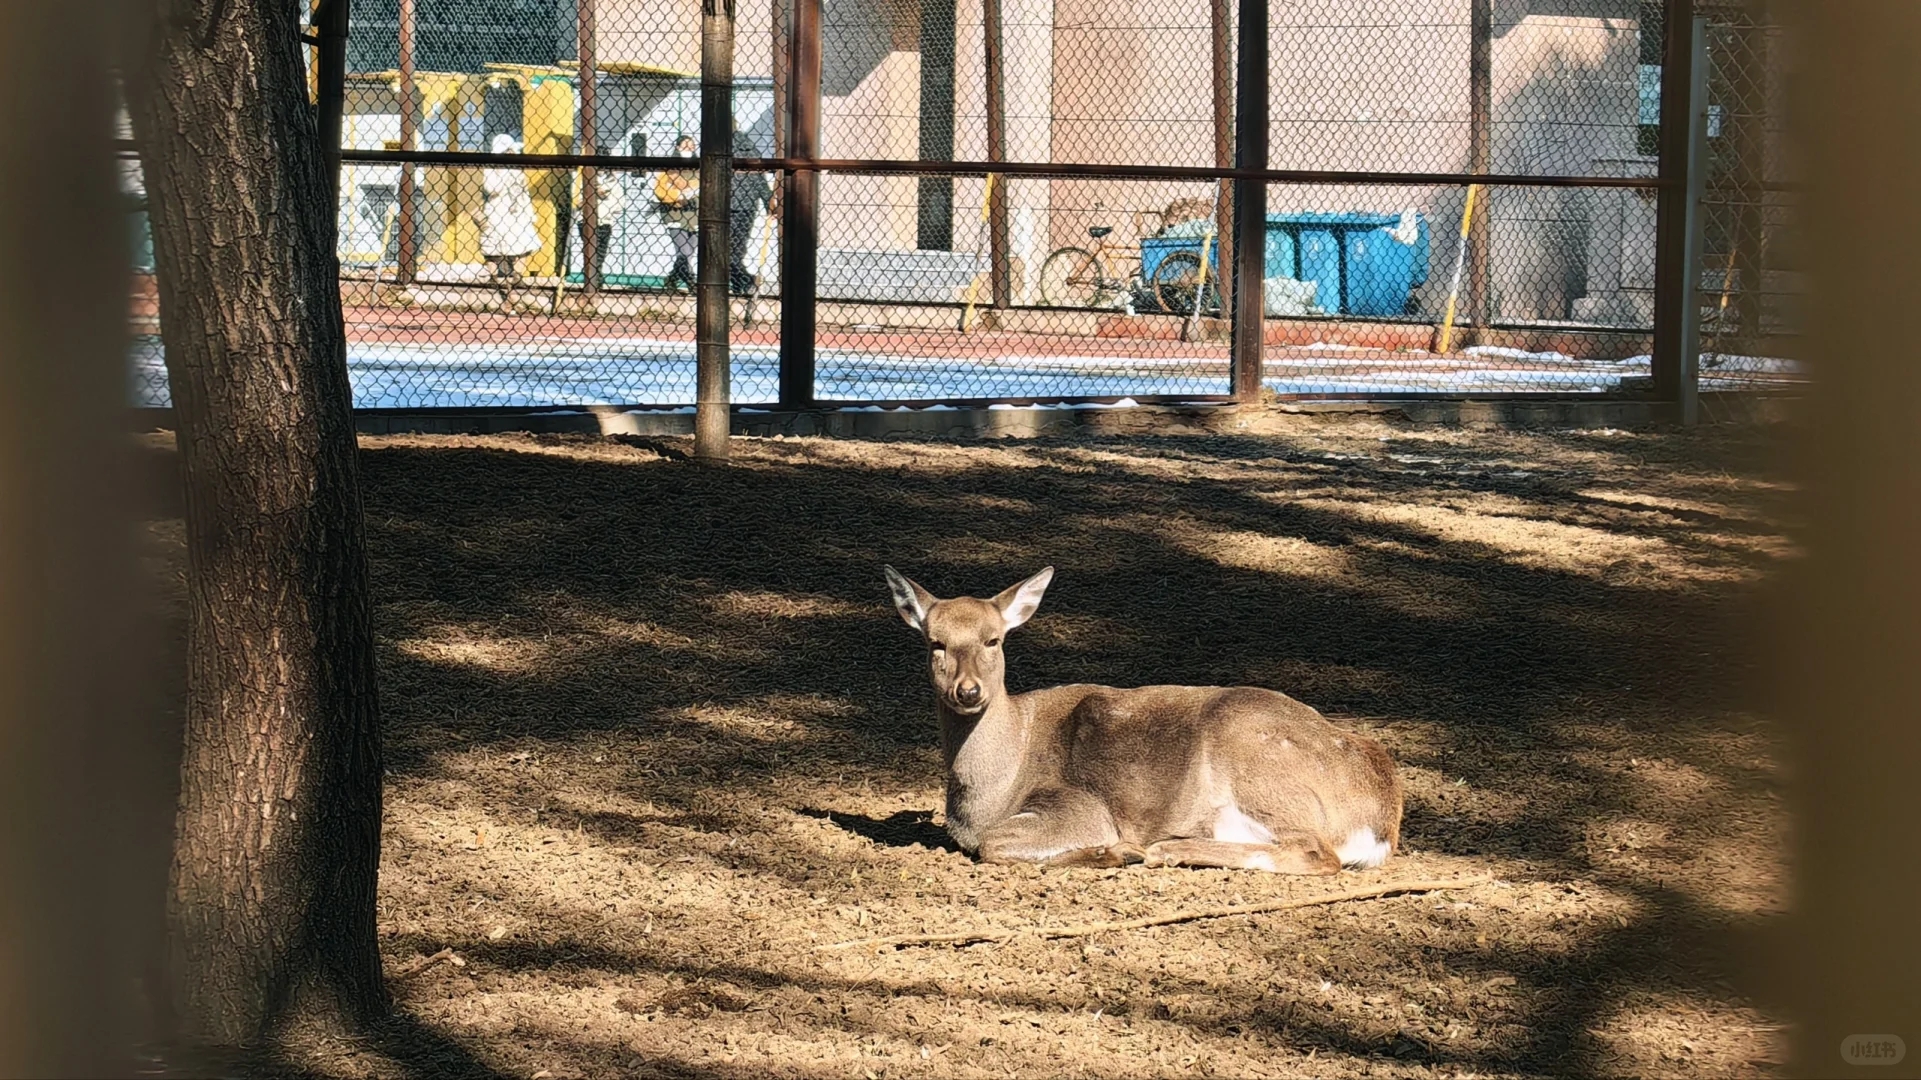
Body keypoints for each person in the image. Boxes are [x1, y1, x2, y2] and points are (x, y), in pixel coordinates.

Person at [480, 133, 540, 310]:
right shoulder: (493, 167)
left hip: (517, 214)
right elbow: (491, 189)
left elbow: (522, 192)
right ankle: (507, 292)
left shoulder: (516, 168)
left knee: (524, 247)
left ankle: (514, 284)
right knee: (492, 253)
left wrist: (530, 214)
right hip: (497, 214)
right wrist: (504, 173)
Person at [571, 145, 626, 291]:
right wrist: (590, 195)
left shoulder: (613, 181)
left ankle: (594, 277)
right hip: (586, 220)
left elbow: (620, 204)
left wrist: (605, 196)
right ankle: (593, 279)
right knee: (591, 251)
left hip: (605, 220)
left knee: (600, 252)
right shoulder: (581, 177)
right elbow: (575, 201)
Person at [728, 133, 773, 296]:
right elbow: (761, 182)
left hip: (728, 206)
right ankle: (740, 283)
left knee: (726, 252)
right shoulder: (752, 151)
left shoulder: (723, 149)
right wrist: (769, 204)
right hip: (747, 207)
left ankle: (744, 281)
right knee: (736, 250)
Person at [653, 134, 699, 292]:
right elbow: (659, 189)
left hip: (695, 215)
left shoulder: (698, 166)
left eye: (692, 146)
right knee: (684, 252)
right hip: (675, 214)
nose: (689, 149)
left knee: (688, 253)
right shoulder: (670, 167)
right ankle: (692, 284)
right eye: (685, 146)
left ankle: (671, 279)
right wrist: (677, 196)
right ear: (677, 147)